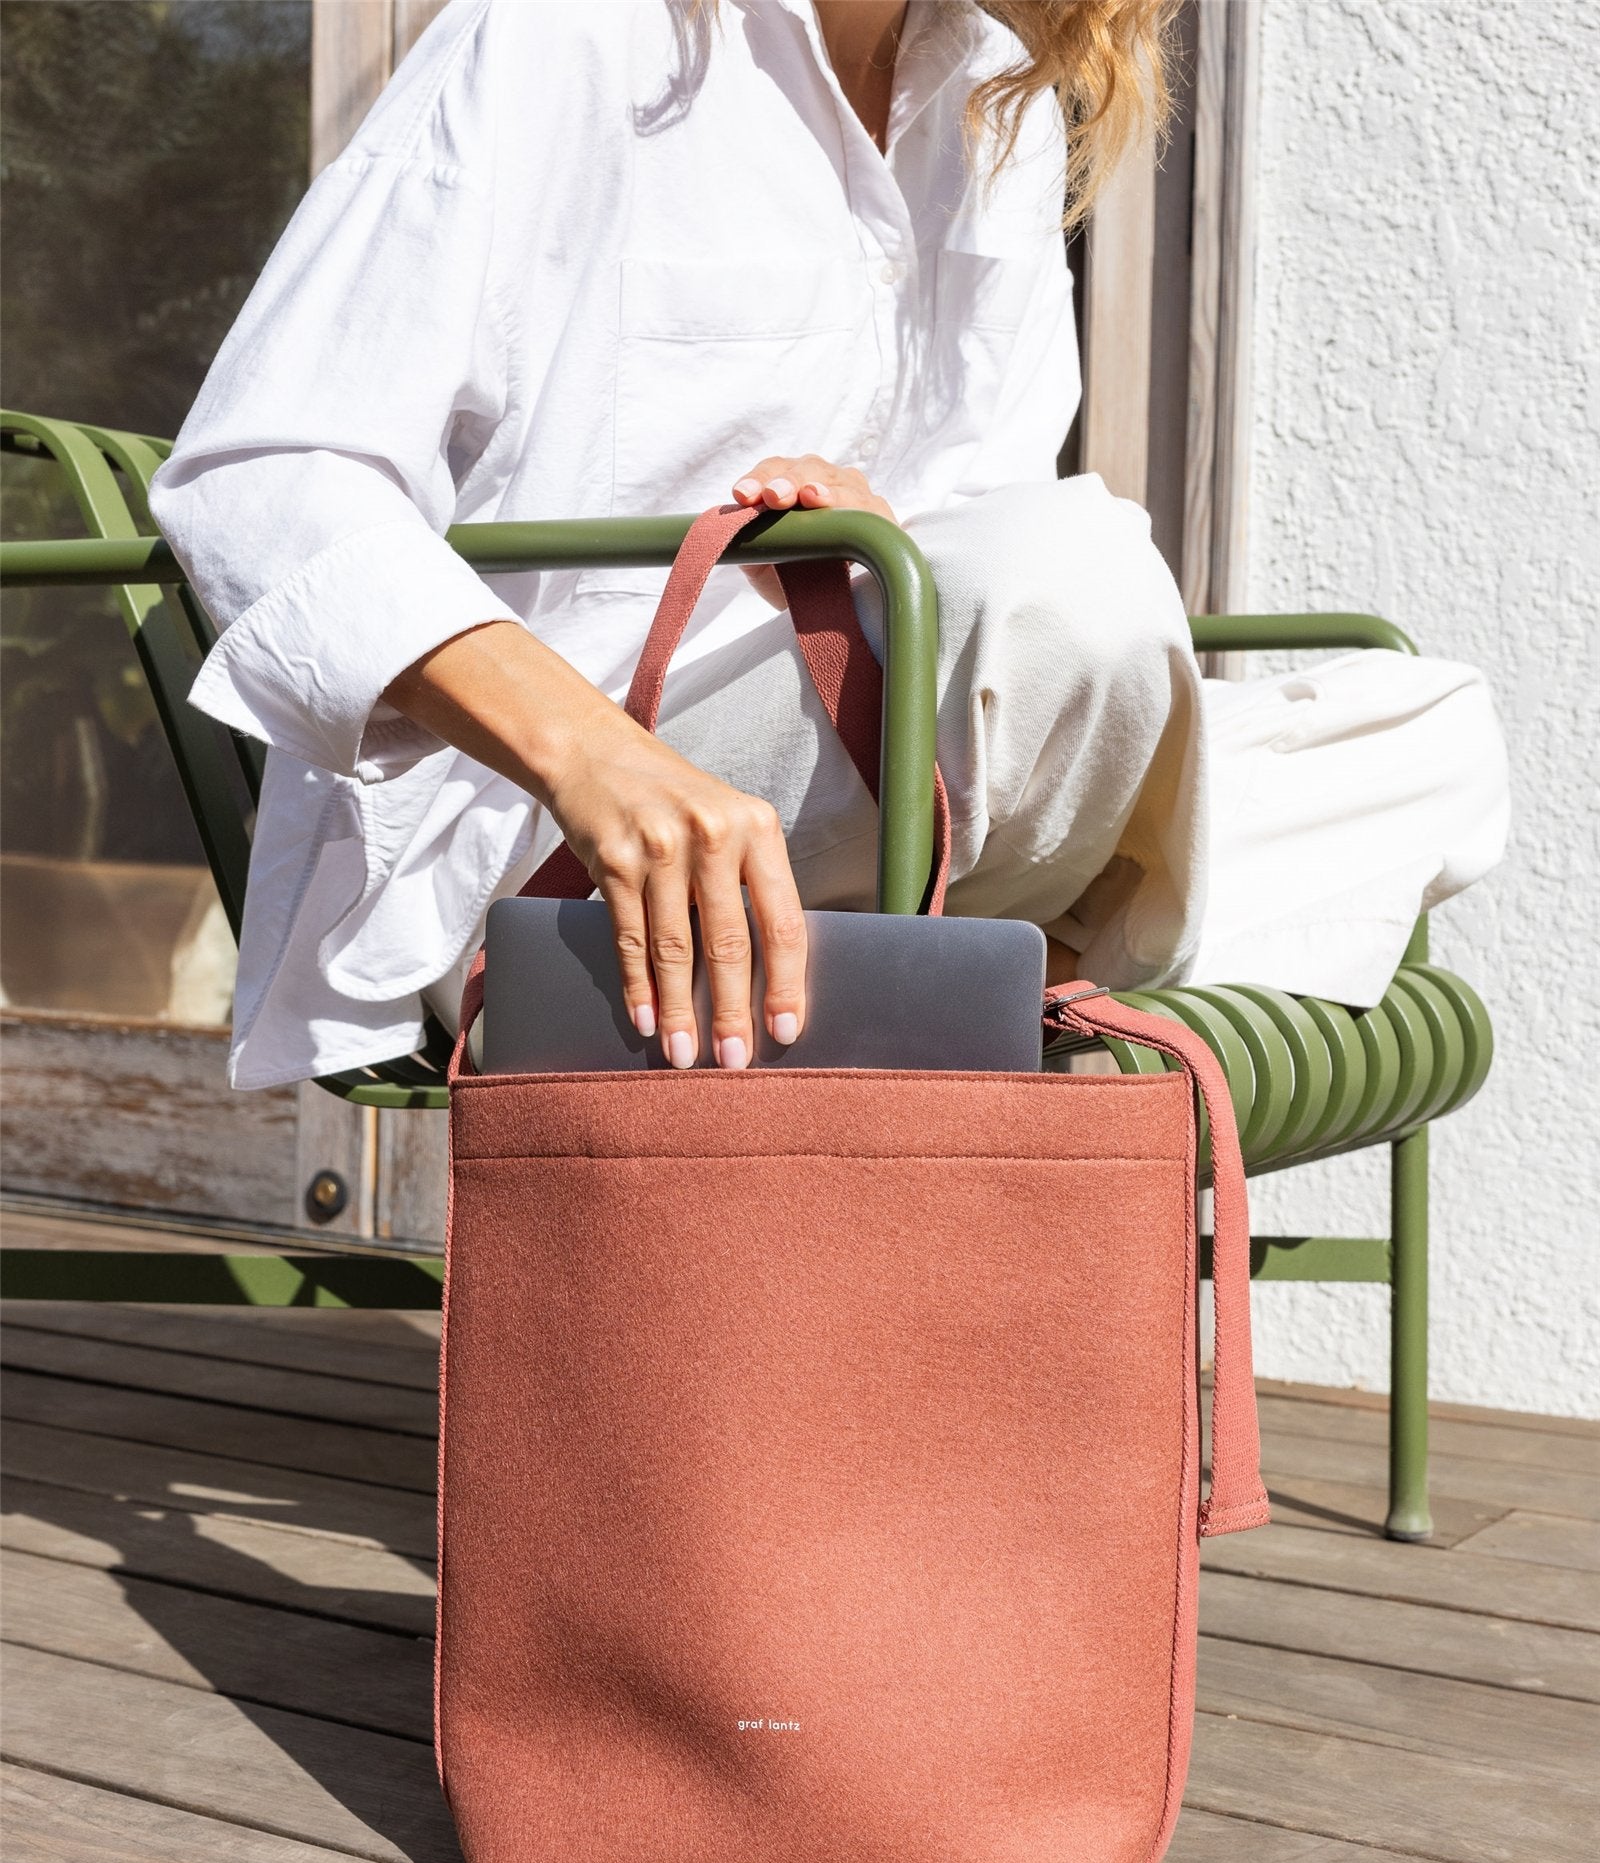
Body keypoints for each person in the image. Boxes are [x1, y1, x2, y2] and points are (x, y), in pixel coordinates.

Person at [149, 0, 1508, 1089]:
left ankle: (1050, 939)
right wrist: (599, 761)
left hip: (877, 787)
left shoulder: (999, 110)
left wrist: (887, 530)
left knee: (1431, 733)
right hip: (586, 841)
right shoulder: (577, 35)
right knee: (1082, 595)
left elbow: (980, 545)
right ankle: (1085, 946)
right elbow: (268, 473)